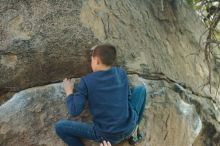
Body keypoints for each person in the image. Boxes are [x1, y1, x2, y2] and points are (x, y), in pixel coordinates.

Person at [55, 44, 147, 146]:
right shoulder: (121, 73)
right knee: (141, 89)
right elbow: (127, 97)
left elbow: (74, 110)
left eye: (92, 60)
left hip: (107, 137)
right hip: (129, 126)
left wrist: (69, 92)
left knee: (60, 127)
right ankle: (134, 135)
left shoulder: (86, 81)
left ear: (97, 61)